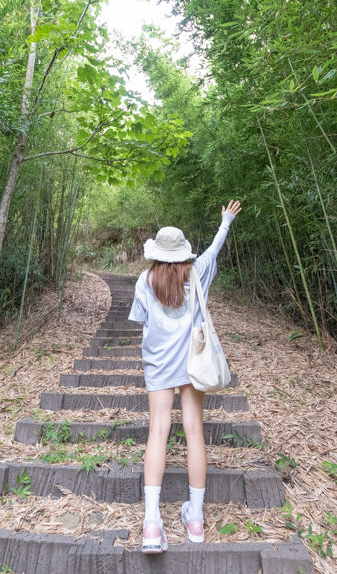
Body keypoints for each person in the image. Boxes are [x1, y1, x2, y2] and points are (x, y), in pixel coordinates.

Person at [128, 200, 242, 554]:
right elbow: (213, 248)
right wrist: (226, 220)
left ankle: (151, 523)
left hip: (159, 364)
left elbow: (142, 322)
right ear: (182, 253)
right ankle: (195, 520)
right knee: (194, 431)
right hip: (194, 364)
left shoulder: (144, 280)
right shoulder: (197, 273)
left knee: (158, 431)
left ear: (157, 253)